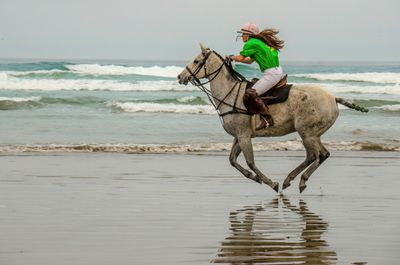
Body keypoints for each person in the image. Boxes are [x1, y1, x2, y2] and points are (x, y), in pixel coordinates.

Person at [228, 22, 286, 128]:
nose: (242, 36)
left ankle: (267, 118)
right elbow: (249, 61)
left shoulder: (251, 43)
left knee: (250, 93)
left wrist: (231, 57)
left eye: (243, 34)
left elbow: (240, 58)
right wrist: (235, 59)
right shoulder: (259, 43)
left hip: (271, 74)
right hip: (276, 71)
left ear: (248, 34)